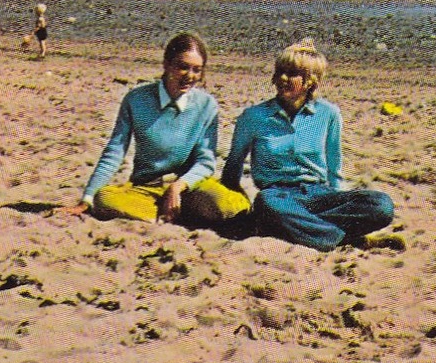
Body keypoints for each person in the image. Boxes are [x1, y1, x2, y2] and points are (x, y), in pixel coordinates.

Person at [222, 39, 400, 251]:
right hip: (278, 196)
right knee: (266, 205)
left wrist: (337, 197)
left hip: (319, 194)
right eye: (279, 72)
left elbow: (335, 167)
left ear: (310, 81)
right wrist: (237, 205)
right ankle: (347, 239)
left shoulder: (329, 114)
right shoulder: (253, 117)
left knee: (381, 205)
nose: (282, 78)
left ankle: (303, 230)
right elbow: (233, 165)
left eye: (292, 73)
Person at [58, 32, 250, 227]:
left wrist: (177, 187)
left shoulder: (206, 105)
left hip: (189, 187)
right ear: (166, 64)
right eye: (183, 67)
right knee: (103, 199)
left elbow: (206, 162)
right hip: (147, 189)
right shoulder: (136, 99)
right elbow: (114, 152)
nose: (189, 76)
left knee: (229, 206)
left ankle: (174, 214)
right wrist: (87, 199)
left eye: (197, 70)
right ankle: (172, 216)